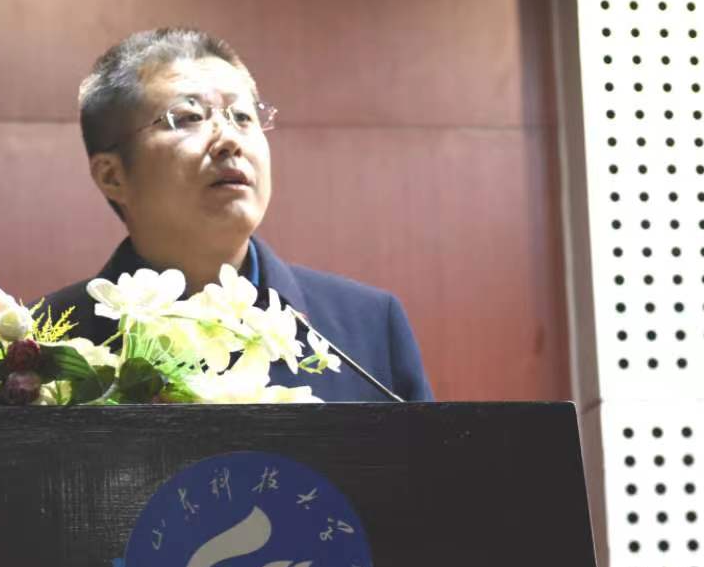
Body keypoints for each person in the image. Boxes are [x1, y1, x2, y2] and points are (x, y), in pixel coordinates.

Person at [38, 27, 432, 401]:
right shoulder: (39, 344)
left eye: (243, 117)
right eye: (189, 117)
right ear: (113, 176)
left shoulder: (368, 326)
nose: (229, 139)